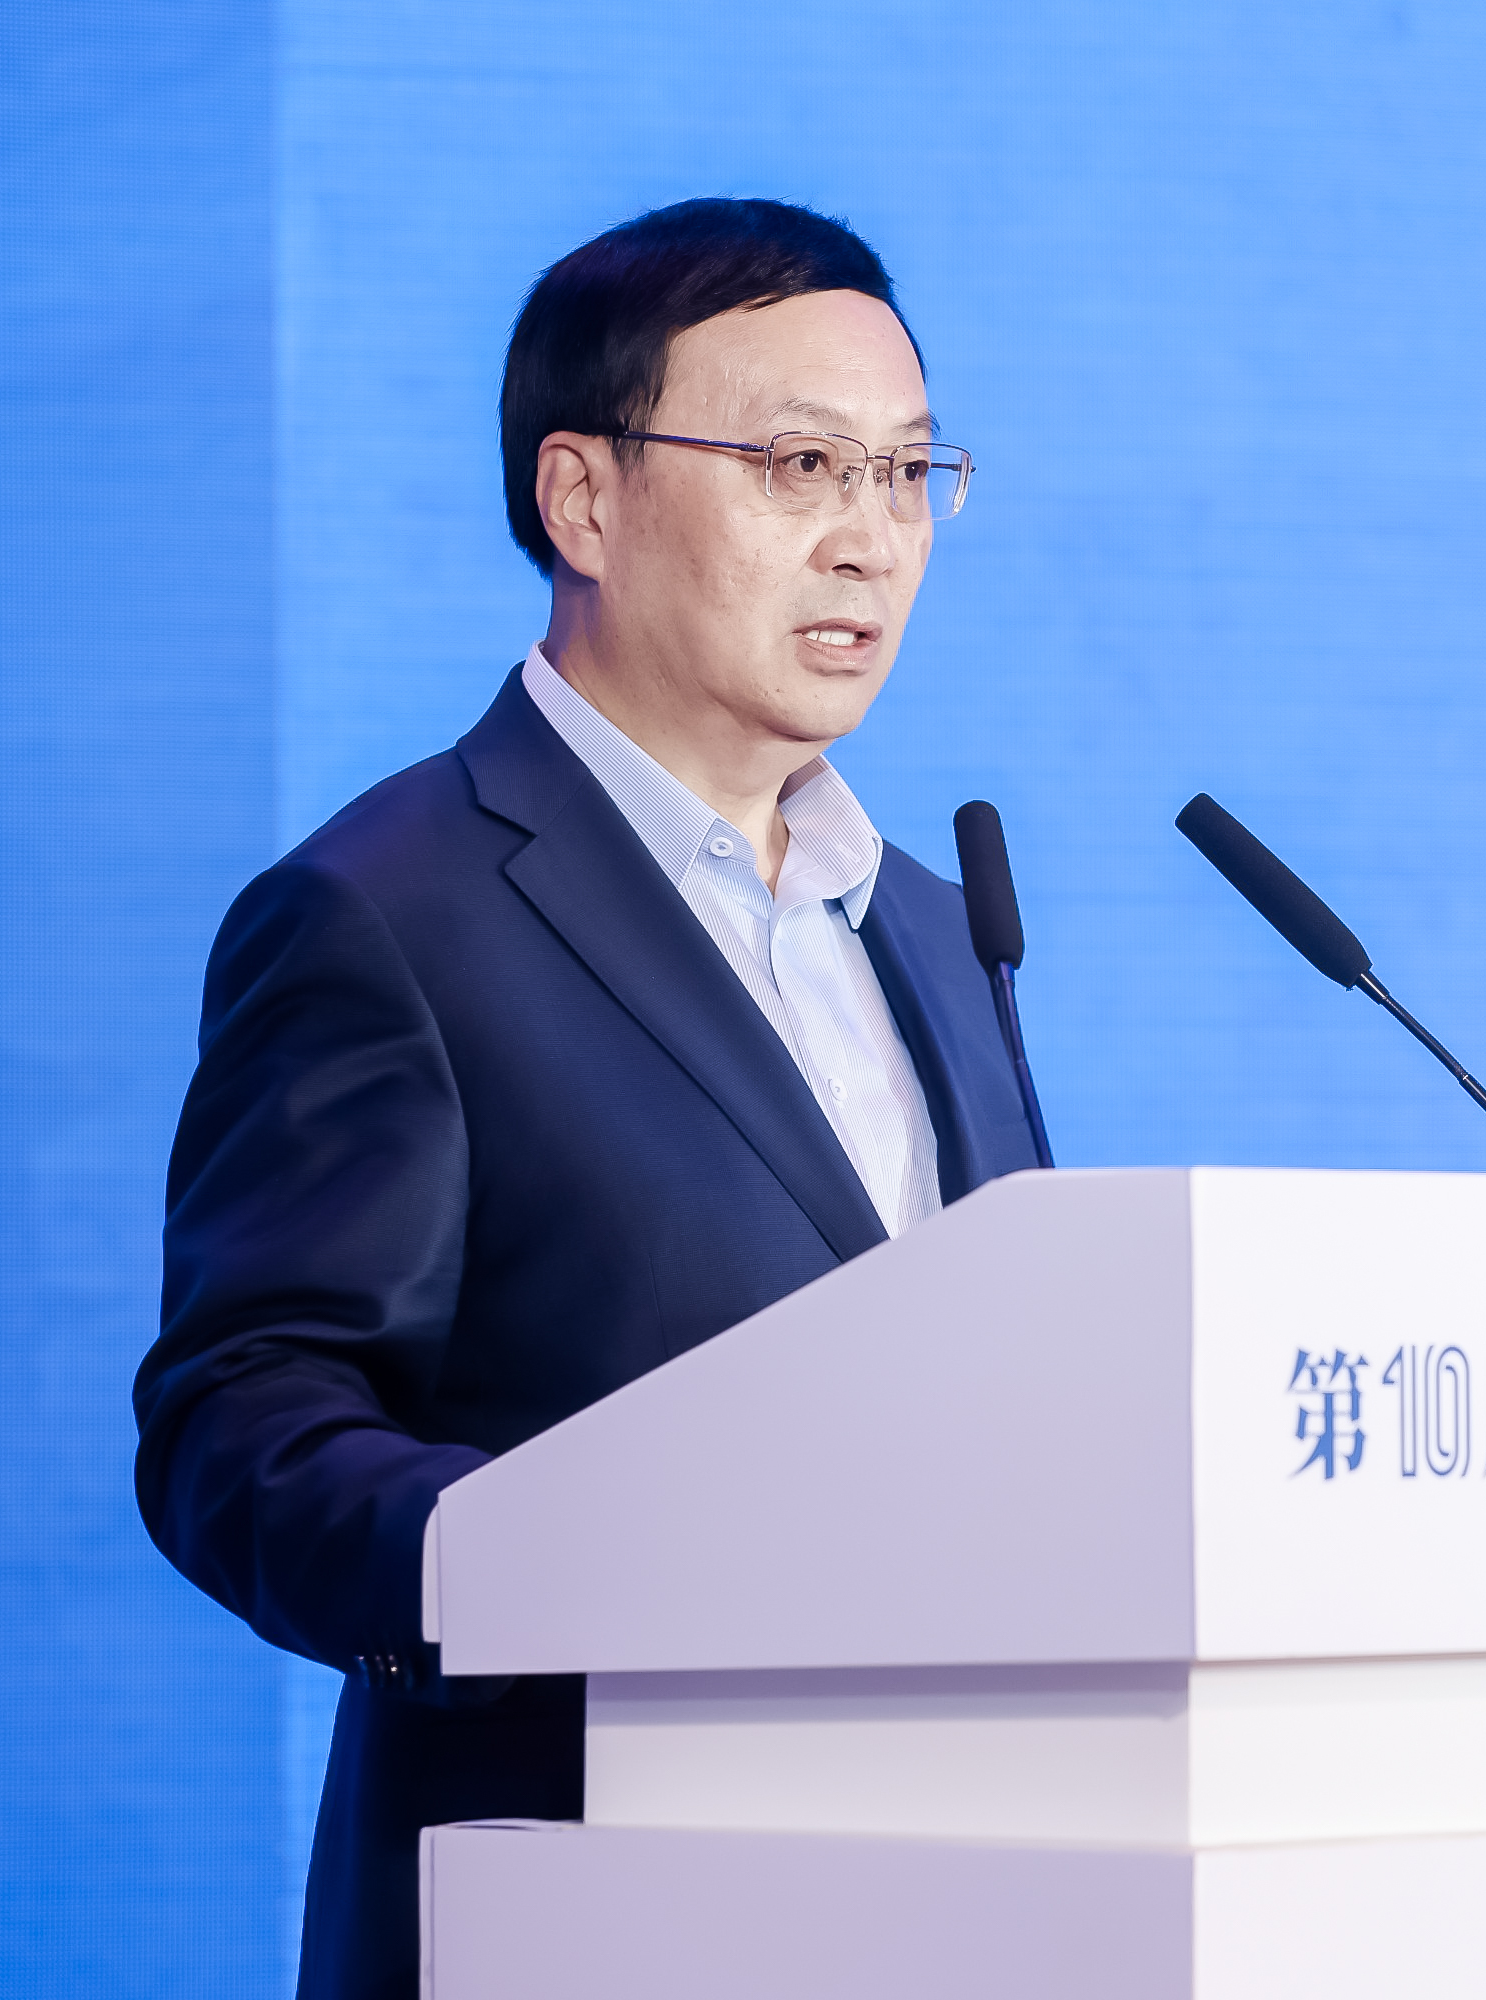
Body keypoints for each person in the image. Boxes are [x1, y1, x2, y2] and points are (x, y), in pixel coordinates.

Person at [132, 198, 1045, 2000]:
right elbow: (240, 1426)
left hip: (940, 1899)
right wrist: (559, 1564)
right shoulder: (389, 913)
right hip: (571, 1903)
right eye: (801, 465)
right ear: (583, 499)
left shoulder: (940, 927)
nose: (869, 537)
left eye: (907, 473)